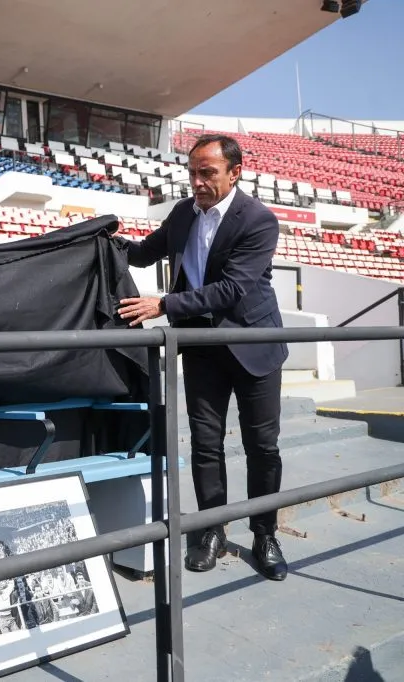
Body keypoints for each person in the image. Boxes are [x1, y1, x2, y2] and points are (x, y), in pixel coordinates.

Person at [116, 134, 289, 582]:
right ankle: (210, 530)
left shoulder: (258, 220)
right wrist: (104, 237)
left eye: (207, 172)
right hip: (201, 349)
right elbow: (141, 253)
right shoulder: (181, 212)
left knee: (262, 447)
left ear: (235, 172)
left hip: (253, 346)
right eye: (192, 172)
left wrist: (164, 305)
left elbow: (233, 289)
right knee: (205, 444)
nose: (196, 181)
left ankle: (265, 532)